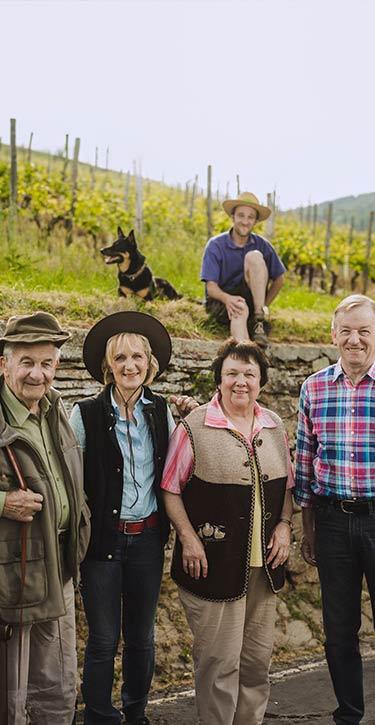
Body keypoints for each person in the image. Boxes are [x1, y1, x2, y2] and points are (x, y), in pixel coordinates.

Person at [69, 311, 196, 725]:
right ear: (108, 365)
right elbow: (71, 480)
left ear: (150, 364)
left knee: (142, 638)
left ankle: (136, 712)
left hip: (147, 540)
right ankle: (100, 716)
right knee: (103, 640)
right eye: (120, 358)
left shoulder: (161, 412)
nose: (130, 366)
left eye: (138, 357)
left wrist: (193, 415)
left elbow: (181, 469)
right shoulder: (84, 414)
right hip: (103, 543)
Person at [161, 338, 294, 725]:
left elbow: (287, 488)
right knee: (219, 664)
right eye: (232, 373)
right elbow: (170, 488)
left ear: (261, 381)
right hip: (213, 564)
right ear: (219, 380)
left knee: (255, 664)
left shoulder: (273, 426)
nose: (241, 382)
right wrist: (188, 537)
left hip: (263, 569)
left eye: (249, 374)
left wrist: (285, 526)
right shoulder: (194, 426)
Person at [0, 311, 90, 725]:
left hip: (58, 566)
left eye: (47, 363)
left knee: (56, 682)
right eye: (27, 362)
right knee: (12, 691)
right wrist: (3, 504)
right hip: (11, 575)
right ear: (4, 363)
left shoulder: (55, 408)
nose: (38, 374)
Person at [294, 294, 375, 725]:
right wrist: (308, 529)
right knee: (339, 630)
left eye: (364, 330)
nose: (355, 339)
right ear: (333, 335)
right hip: (332, 521)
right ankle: (349, 714)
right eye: (346, 331)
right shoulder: (314, 387)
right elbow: (304, 463)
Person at [201, 192, 286, 345]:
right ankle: (246, 353)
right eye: (241, 215)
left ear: (255, 221)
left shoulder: (262, 245)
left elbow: (280, 279)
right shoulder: (215, 245)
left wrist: (264, 305)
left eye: (250, 217)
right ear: (232, 216)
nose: (245, 221)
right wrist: (228, 299)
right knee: (239, 307)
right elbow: (211, 288)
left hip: (251, 302)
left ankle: (258, 320)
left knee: (254, 256)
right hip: (221, 300)